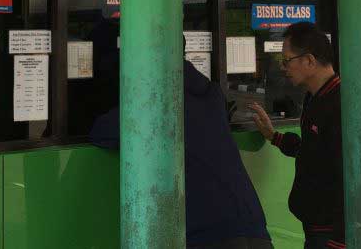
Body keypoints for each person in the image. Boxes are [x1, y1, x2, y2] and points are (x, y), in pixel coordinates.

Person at [90, 59, 272, 248]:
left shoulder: (155, 99)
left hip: (207, 231)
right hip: (253, 224)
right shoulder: (212, 94)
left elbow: (102, 132)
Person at [249, 23, 343, 249]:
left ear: (309, 61)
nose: (283, 67)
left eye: (287, 60)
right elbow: (314, 153)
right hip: (314, 224)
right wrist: (274, 137)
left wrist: (340, 241)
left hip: (330, 232)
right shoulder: (314, 97)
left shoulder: (339, 104)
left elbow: (347, 175)